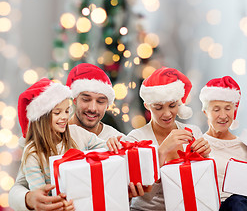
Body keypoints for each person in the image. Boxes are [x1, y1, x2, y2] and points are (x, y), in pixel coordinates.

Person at [9, 64, 144, 210]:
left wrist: (129, 195)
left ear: (108, 104)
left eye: (100, 101)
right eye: (86, 99)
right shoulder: (39, 143)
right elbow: (19, 188)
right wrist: (29, 199)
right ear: (73, 99)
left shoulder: (117, 140)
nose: (93, 108)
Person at [127, 67, 211, 211]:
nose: (167, 114)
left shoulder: (193, 132)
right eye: (158, 107)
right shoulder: (136, 138)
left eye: (172, 105)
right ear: (147, 105)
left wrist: (205, 158)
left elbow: (203, 187)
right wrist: (162, 151)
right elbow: (142, 197)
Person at [199, 75, 247, 211]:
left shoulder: (244, 146)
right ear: (205, 112)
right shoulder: (199, 145)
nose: (223, 115)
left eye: (228, 108)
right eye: (216, 109)